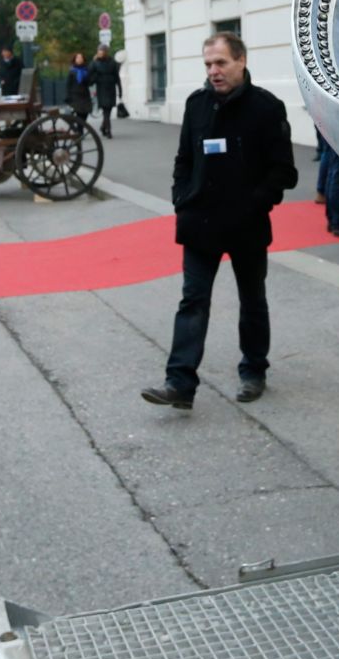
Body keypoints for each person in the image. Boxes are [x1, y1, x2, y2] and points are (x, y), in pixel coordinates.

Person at [142, 33, 297, 409]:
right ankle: (179, 383)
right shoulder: (197, 106)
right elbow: (184, 160)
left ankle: (254, 370)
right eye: (208, 64)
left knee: (252, 301)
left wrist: (255, 202)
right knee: (192, 301)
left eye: (221, 63)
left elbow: (284, 172)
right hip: (201, 223)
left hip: (247, 224)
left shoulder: (267, 108)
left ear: (241, 61)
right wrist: (181, 198)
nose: (213, 71)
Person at [87, 46, 122, 139]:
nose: (100, 53)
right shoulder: (95, 63)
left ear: (106, 52)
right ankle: (108, 130)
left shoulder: (112, 62)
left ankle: (103, 127)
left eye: (102, 51)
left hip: (111, 89)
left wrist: (120, 90)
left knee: (108, 111)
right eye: (99, 51)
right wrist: (95, 78)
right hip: (101, 89)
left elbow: (117, 77)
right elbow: (89, 76)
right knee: (106, 111)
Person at [65, 52, 92, 124]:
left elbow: (90, 83)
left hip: (85, 95)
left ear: (83, 59)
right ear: (75, 59)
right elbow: (68, 84)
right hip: (75, 96)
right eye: (78, 58)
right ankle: (80, 131)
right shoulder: (72, 71)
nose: (79, 59)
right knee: (79, 114)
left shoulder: (87, 70)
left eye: (81, 58)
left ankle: (80, 128)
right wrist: (68, 96)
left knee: (85, 114)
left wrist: (88, 78)